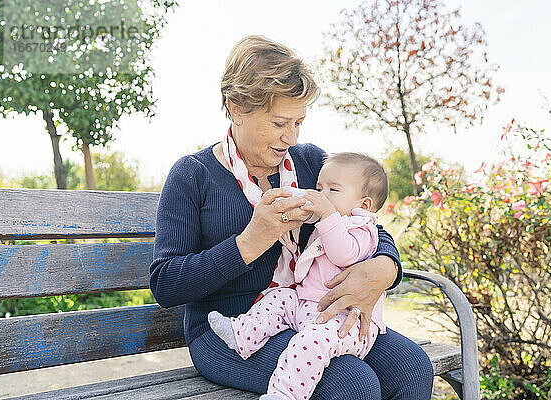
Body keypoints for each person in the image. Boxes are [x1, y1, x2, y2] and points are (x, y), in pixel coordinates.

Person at [149, 35, 434, 400]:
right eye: (280, 123)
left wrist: (384, 268)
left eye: (299, 122)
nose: (291, 137)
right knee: (352, 384)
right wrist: (251, 242)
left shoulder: (311, 162)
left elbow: (366, 221)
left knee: (412, 368)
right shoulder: (193, 175)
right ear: (236, 108)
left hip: (311, 310)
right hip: (228, 331)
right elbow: (166, 283)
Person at [208, 152, 392, 400]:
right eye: (319, 188)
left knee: (308, 345)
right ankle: (242, 333)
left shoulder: (361, 229)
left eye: (332, 190)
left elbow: (344, 254)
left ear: (365, 205)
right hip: (309, 305)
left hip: (342, 320)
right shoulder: (335, 220)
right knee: (279, 298)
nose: (321, 195)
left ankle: (283, 395)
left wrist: (328, 217)